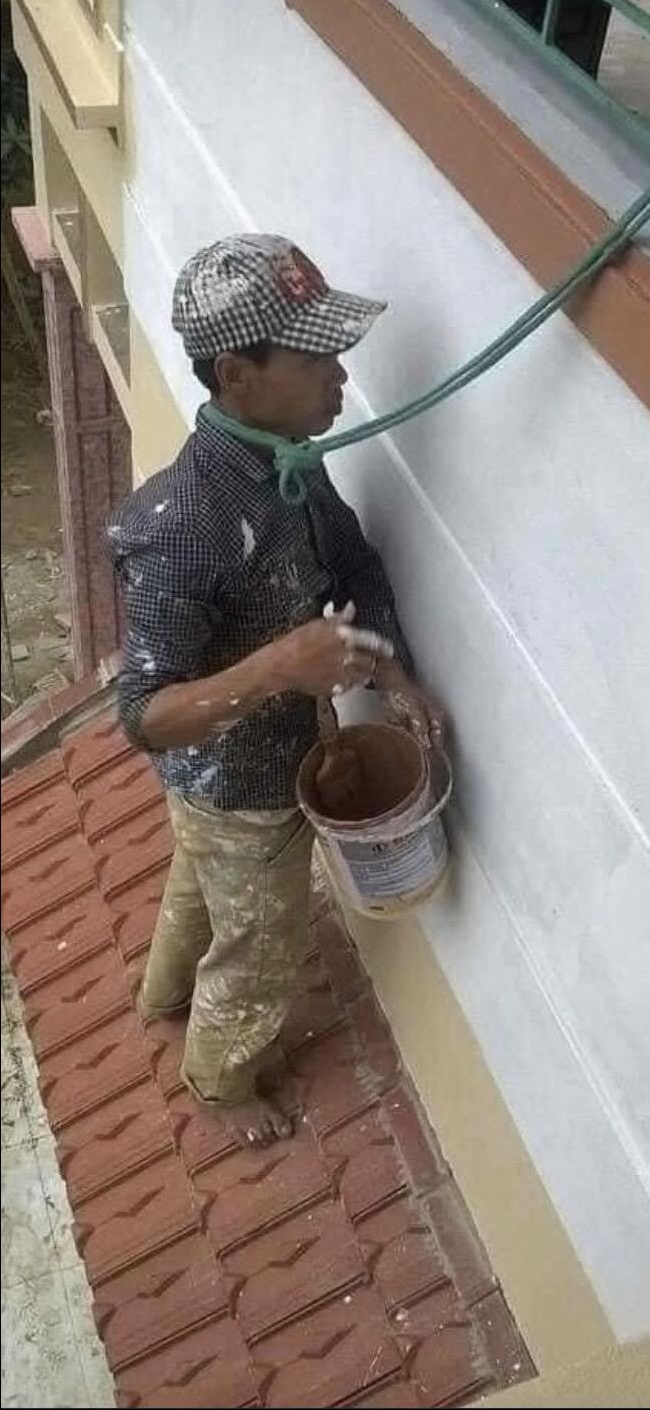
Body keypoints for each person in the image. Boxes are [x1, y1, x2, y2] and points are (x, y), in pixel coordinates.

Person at [110, 234, 442, 1147]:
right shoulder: (185, 529)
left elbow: (352, 560)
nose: (341, 376)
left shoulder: (290, 457)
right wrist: (279, 668)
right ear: (237, 375)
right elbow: (144, 716)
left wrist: (395, 673)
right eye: (315, 357)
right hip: (236, 789)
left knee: (199, 880)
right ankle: (219, 1082)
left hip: (276, 755)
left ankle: (163, 994)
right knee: (261, 941)